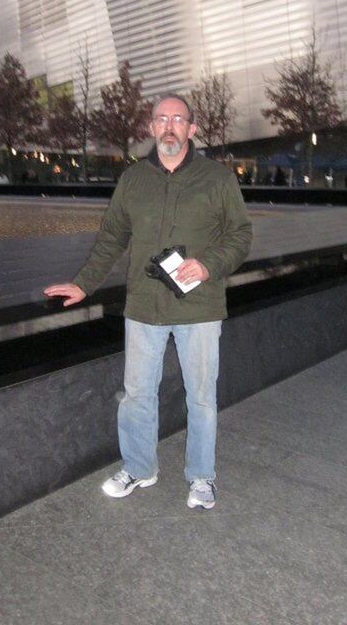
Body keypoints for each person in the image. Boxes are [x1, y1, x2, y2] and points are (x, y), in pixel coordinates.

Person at [44, 93, 252, 510]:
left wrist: (209, 265)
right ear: (152, 128)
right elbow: (112, 238)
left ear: (193, 129)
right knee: (137, 394)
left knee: (202, 398)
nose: (170, 126)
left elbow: (240, 235)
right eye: (162, 119)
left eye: (178, 119)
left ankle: (201, 477)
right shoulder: (133, 180)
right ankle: (140, 469)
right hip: (143, 307)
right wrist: (85, 284)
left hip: (199, 307)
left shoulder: (217, 179)